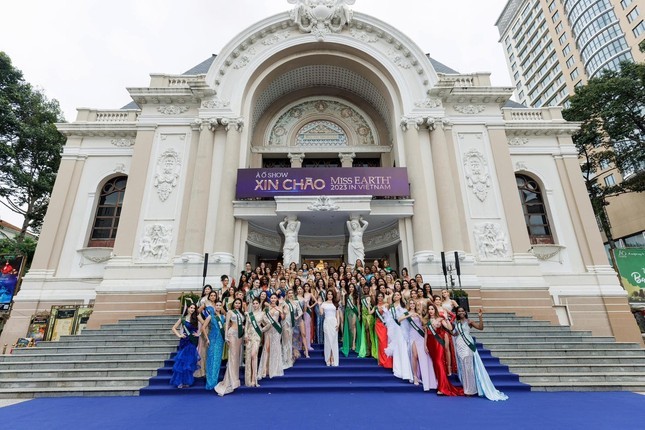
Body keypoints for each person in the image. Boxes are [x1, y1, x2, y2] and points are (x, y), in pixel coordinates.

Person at [453, 307, 508, 401]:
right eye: (459, 311)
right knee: (463, 368)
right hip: (459, 345)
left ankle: (470, 390)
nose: (461, 312)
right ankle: (466, 388)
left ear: (465, 312)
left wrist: (480, 317)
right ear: (457, 313)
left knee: (469, 368)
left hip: (468, 346)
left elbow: (480, 328)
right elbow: (454, 334)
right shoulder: (456, 323)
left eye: (462, 311)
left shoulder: (469, 321)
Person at [425, 303, 464, 396]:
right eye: (429, 309)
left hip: (438, 343)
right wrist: (425, 346)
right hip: (430, 344)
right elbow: (426, 334)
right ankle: (440, 385)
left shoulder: (440, 319)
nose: (430, 311)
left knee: (439, 363)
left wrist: (446, 318)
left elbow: (450, 328)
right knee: (435, 364)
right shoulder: (427, 321)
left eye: (432, 309)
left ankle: (442, 388)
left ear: (435, 310)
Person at [398, 300, 437, 391]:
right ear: (409, 304)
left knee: (422, 356)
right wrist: (409, 315)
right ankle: (415, 376)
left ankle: (424, 376)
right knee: (414, 356)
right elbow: (399, 320)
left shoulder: (419, 312)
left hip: (421, 336)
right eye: (410, 303)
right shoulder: (407, 313)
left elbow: (424, 323)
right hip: (412, 336)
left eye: (413, 303)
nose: (412, 305)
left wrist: (419, 316)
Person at [215, 298, 245, 396]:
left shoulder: (241, 313)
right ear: (233, 304)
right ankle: (228, 382)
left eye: (239, 303)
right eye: (236, 303)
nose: (237, 304)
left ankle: (235, 379)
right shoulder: (230, 312)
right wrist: (226, 337)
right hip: (232, 334)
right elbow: (227, 324)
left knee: (236, 358)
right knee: (232, 356)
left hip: (239, 336)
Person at [170, 304, 202, 388]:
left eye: (194, 308)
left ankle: (187, 380)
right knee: (183, 360)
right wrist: (179, 335)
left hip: (192, 341)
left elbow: (205, 324)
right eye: (191, 308)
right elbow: (173, 328)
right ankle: (180, 381)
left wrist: (199, 333)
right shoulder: (182, 318)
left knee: (190, 361)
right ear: (187, 308)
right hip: (184, 340)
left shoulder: (197, 317)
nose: (192, 309)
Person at [384, 291, 413, 382]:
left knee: (402, 348)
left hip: (402, 329)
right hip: (393, 330)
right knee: (396, 349)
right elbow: (388, 319)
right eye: (395, 295)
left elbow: (407, 318)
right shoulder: (390, 307)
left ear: (400, 296)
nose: (396, 296)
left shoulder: (404, 307)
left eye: (398, 295)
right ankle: (397, 370)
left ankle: (405, 371)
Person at [200, 295, 225, 391]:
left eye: (220, 305)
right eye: (217, 305)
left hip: (220, 340)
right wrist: (207, 339)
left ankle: (214, 381)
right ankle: (210, 382)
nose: (218, 307)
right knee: (211, 359)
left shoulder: (223, 317)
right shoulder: (211, 316)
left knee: (217, 361)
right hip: (212, 339)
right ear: (214, 307)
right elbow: (203, 327)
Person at [258, 293, 285, 379]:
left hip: (276, 329)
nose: (273, 299)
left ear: (277, 299)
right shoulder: (266, 308)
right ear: (270, 299)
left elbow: (283, 318)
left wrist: (280, 310)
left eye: (274, 298)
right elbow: (262, 319)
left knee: (276, 347)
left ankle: (274, 369)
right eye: (272, 298)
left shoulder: (279, 308)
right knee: (267, 348)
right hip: (269, 329)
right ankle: (265, 369)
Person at [244, 298, 267, 388]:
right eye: (253, 303)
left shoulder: (262, 314)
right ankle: (249, 379)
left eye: (256, 303)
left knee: (254, 355)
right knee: (249, 357)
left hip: (257, 337)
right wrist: (245, 335)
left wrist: (261, 330)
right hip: (249, 337)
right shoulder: (249, 315)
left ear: (259, 304)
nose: (255, 305)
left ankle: (254, 379)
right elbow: (246, 326)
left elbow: (268, 324)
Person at [282, 289, 303, 369]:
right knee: (285, 341)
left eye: (291, 293)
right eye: (289, 293)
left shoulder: (296, 302)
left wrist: (296, 317)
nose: (290, 294)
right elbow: (282, 312)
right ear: (287, 294)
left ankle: (290, 358)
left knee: (290, 341)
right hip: (285, 323)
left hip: (292, 323)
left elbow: (300, 312)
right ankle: (285, 360)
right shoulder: (284, 302)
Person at [319, 289, 340, 366]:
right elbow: (321, 313)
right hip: (327, 322)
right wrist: (319, 305)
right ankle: (328, 357)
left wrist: (338, 323)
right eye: (328, 294)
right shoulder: (324, 304)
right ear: (326, 295)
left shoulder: (335, 304)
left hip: (334, 322)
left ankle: (333, 357)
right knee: (327, 341)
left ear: (333, 295)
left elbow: (337, 315)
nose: (330, 295)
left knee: (334, 341)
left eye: (331, 294)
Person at [341, 283, 361, 356]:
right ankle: (350, 343)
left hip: (354, 311)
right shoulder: (346, 296)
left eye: (352, 287)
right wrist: (343, 296)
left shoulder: (356, 296)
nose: (351, 288)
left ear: (354, 288)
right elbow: (343, 304)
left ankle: (353, 343)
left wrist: (359, 314)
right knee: (349, 328)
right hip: (347, 312)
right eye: (350, 287)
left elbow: (358, 305)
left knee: (354, 326)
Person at [374, 292, 393, 369]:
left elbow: (389, 314)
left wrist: (390, 296)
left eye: (381, 296)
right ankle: (380, 360)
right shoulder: (375, 306)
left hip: (384, 324)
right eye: (379, 296)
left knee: (384, 342)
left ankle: (386, 360)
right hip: (378, 324)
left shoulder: (387, 304)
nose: (380, 297)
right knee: (380, 342)